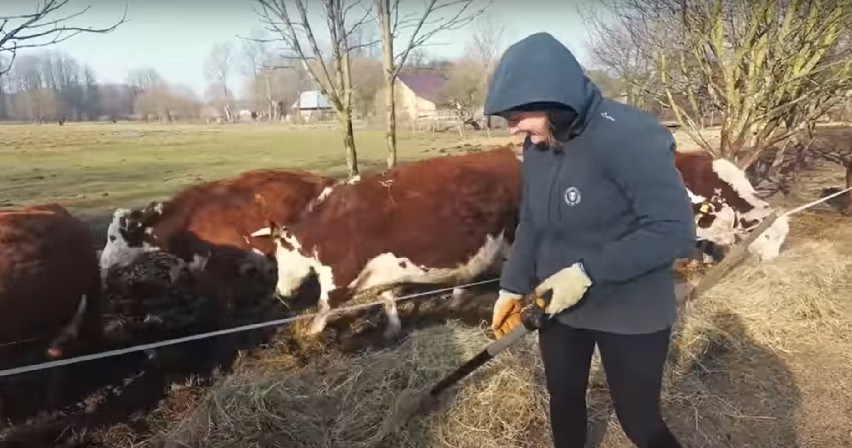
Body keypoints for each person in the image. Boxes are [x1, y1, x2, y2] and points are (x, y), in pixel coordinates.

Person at [485, 32, 696, 448]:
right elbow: (531, 219)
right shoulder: (539, 147)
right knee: (563, 401)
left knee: (640, 422)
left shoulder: (632, 136)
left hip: (630, 308)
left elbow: (672, 230)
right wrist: (511, 284)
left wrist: (585, 273)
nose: (514, 133)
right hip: (557, 306)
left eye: (517, 119)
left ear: (553, 100)